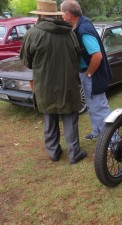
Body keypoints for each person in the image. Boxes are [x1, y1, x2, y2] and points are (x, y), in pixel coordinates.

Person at [20, 0, 86, 164]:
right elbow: (76, 59)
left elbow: (27, 62)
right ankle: (74, 153)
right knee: (70, 117)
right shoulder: (70, 32)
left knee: (49, 117)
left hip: (45, 85)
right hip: (68, 84)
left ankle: (54, 152)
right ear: (55, 15)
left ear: (40, 15)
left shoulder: (32, 34)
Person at [60, 0, 112, 140]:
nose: (61, 17)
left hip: (93, 75)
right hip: (87, 73)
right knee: (91, 105)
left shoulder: (83, 30)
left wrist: (89, 73)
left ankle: (113, 141)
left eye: (62, 14)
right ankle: (98, 132)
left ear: (68, 14)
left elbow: (97, 56)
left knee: (99, 107)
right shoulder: (80, 25)